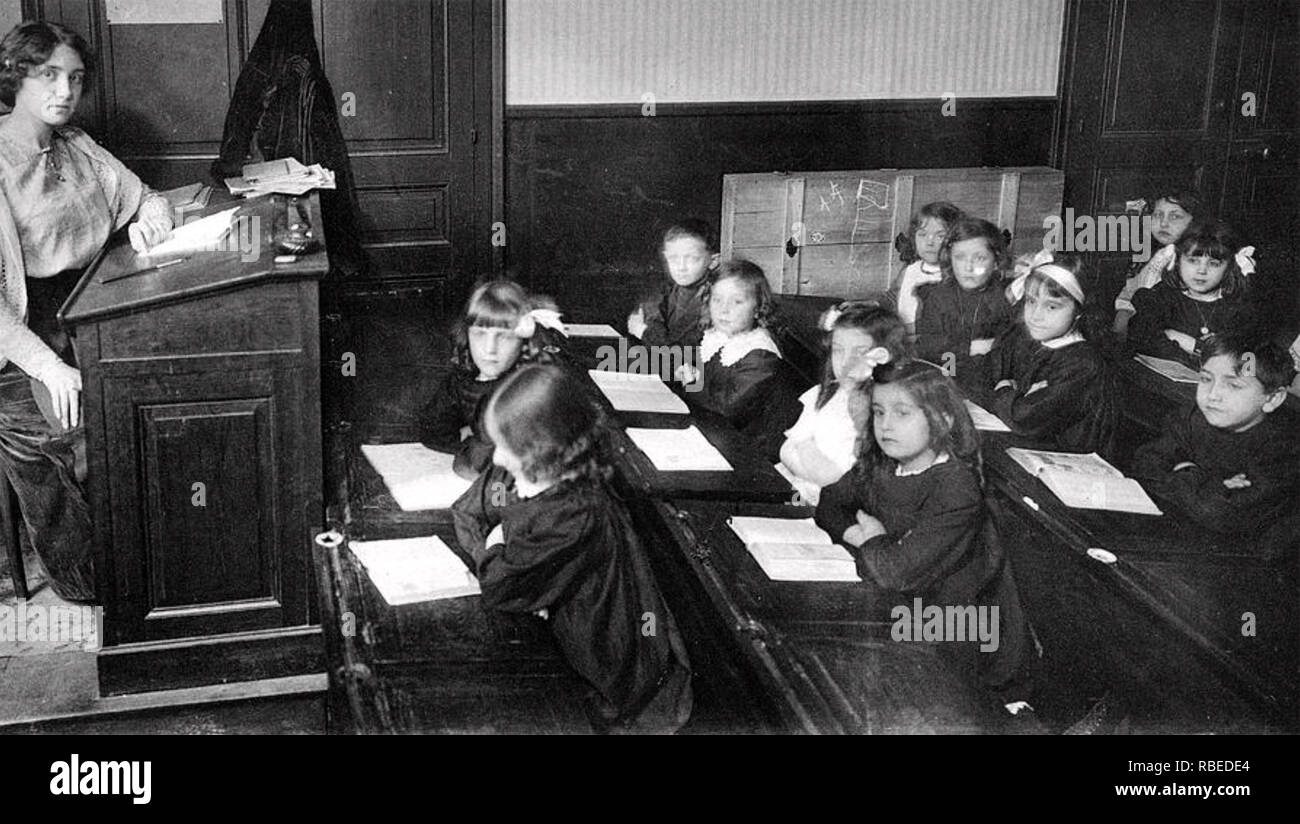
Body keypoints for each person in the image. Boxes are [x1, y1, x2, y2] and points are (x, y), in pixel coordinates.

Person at [0, 21, 172, 602]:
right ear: (15, 76)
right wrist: (48, 366)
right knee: (78, 441)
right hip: (23, 347)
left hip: (93, 314)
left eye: (74, 77)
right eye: (48, 75)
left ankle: (163, 554)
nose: (64, 90)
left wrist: (151, 217)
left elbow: (145, 196)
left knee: (154, 403)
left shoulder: (76, 144)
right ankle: (91, 580)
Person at [451, 364, 693, 733]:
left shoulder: (575, 511)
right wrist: (501, 545)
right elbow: (468, 511)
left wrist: (497, 539)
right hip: (576, 644)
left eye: (506, 447)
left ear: (542, 451)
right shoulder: (541, 472)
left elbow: (500, 585)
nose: (496, 459)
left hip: (613, 678)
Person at [814, 360, 1037, 712]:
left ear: (943, 421)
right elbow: (829, 503)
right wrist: (864, 536)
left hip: (949, 629)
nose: (886, 426)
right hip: (898, 606)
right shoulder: (884, 463)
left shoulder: (956, 486)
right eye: (879, 412)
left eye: (902, 413)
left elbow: (895, 572)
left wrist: (874, 542)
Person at [1130, 330, 1299, 554]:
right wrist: (1209, 482)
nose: (1213, 394)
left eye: (1234, 386)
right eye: (1206, 379)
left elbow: (1219, 513)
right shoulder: (1191, 417)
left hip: (1243, 561)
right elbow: (1144, 465)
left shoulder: (1285, 449)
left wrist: (1181, 469)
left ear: (1271, 398)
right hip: (1180, 538)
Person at [418, 279, 564, 479]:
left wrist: (474, 442)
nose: (489, 349)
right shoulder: (463, 379)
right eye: (479, 334)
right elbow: (432, 428)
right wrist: (467, 440)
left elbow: (487, 461)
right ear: (466, 334)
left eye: (503, 337)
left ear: (523, 342)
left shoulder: (526, 388)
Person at [981, 252, 1117, 459]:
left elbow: (1023, 418)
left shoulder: (1083, 364)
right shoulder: (1026, 338)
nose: (1035, 315)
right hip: (1026, 447)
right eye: (1031, 301)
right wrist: (1016, 396)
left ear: (1079, 312)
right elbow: (990, 369)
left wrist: (1005, 390)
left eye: (1052, 307)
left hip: (1066, 462)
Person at [778, 301, 908, 505]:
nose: (846, 362)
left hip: (833, 506)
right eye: (838, 351)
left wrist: (804, 446)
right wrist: (811, 459)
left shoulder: (877, 412)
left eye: (859, 352)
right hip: (797, 489)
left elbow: (835, 479)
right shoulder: (824, 394)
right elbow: (785, 450)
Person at [676, 258, 803, 462]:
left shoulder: (760, 355)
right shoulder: (717, 338)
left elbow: (725, 410)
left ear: (758, 307)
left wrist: (690, 383)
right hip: (710, 436)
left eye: (737, 302)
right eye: (717, 300)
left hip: (747, 453)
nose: (724, 309)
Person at [1129, 220, 1255, 369]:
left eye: (1214, 263)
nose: (1201, 270)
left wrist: (1192, 345)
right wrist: (1205, 355)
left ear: (1229, 268)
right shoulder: (1163, 296)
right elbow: (1140, 338)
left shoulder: (1237, 309)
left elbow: (1247, 362)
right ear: (1178, 261)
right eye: (1193, 260)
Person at [913, 217, 1013, 390]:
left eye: (980, 258)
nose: (968, 268)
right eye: (959, 257)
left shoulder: (1005, 296)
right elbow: (928, 348)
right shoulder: (937, 297)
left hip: (994, 385)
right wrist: (967, 347)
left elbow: (1012, 348)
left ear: (996, 262)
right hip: (947, 382)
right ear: (949, 258)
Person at [1112, 189, 1202, 337]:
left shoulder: (1195, 264)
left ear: (1194, 222)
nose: (1163, 223)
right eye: (1158, 215)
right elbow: (1130, 292)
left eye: (1175, 216)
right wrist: (1123, 316)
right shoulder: (1158, 256)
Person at [626, 218, 718, 348]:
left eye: (691, 258)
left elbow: (683, 349)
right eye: (673, 258)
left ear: (713, 261)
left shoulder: (718, 299)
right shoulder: (662, 294)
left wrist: (642, 332)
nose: (681, 267)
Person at [886, 201, 965, 336]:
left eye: (940, 236)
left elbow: (940, 325)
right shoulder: (910, 270)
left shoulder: (957, 277)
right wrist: (867, 309)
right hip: (902, 341)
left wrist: (898, 330)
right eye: (922, 234)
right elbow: (891, 299)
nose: (929, 242)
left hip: (932, 348)